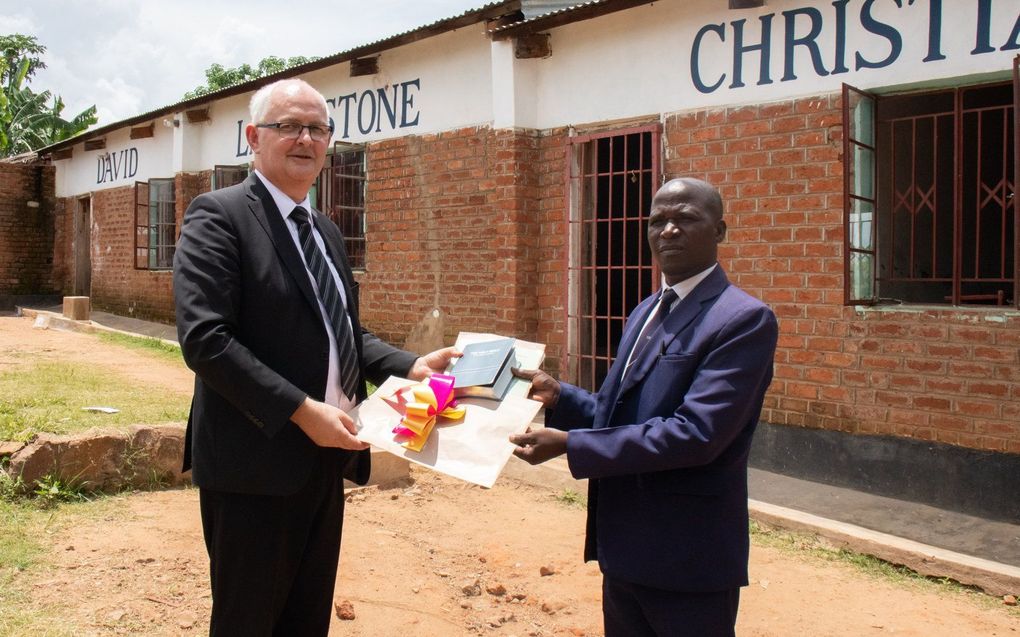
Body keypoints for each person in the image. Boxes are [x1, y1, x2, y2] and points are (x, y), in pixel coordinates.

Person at [173, 78, 458, 637]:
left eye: (319, 129)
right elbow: (206, 339)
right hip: (254, 462)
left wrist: (410, 365)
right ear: (254, 137)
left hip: (326, 458)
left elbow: (342, 329)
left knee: (306, 618)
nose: (306, 138)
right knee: (248, 620)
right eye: (289, 126)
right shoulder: (219, 216)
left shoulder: (324, 229)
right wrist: (303, 411)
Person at [511, 177, 778, 637]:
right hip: (624, 546)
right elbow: (620, 413)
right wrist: (561, 397)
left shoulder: (742, 320)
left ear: (720, 231)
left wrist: (572, 445)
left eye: (685, 219)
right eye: (657, 221)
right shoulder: (646, 311)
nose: (668, 231)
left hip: (686, 555)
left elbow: (696, 434)